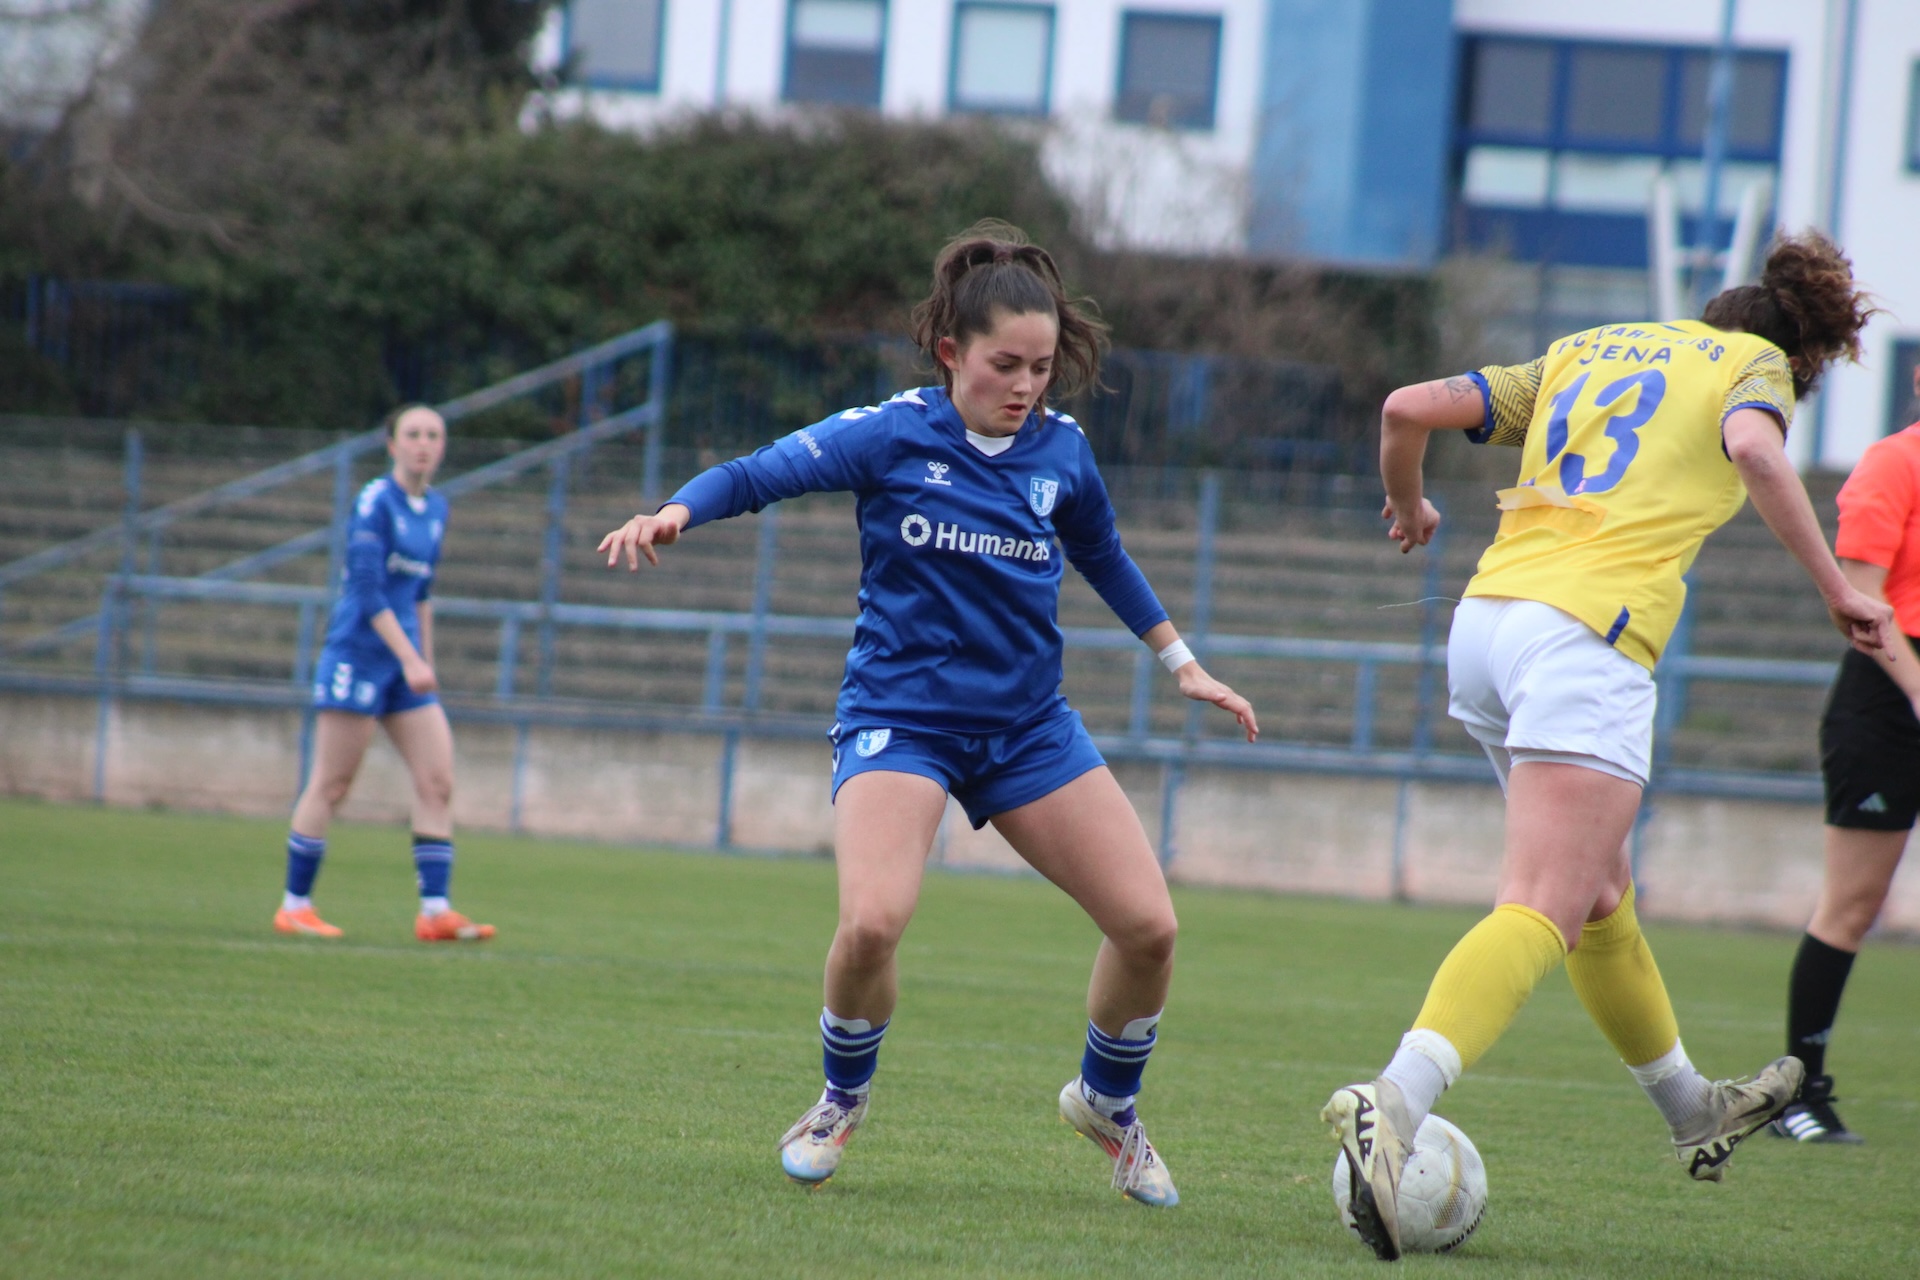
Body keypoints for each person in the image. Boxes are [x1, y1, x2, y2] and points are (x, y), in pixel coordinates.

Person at [597, 222, 1258, 1204]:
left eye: (1041, 365)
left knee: (1150, 926)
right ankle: (839, 1099)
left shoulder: (1062, 454)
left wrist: (1183, 661)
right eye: (1005, 364)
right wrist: (677, 510)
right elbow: (755, 473)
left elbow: (1104, 555)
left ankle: (1107, 1103)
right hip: (901, 717)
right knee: (872, 921)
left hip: (1028, 727)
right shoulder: (893, 433)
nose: (1026, 383)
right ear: (952, 350)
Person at [1321, 231, 1891, 1260]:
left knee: (1597, 893)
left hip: (1488, 623)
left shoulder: (1585, 348)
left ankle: (1692, 1109)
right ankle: (1394, 1099)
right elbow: (1759, 450)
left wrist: (1409, 506)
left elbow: (1405, 407)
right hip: (1588, 637)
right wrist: (1838, 589)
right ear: (1793, 355)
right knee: (1543, 898)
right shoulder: (1749, 364)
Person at [273, 404, 494, 943]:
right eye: (413, 434)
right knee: (333, 781)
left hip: (405, 667)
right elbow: (368, 592)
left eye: (433, 435)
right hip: (359, 656)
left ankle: (435, 910)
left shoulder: (436, 507)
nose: (424, 444)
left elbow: (419, 593)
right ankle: (294, 905)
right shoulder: (375, 501)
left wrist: (427, 661)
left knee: (437, 779)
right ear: (391, 444)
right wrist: (410, 658)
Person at [1774, 357, 1920, 1144]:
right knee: (1855, 905)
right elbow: (1866, 604)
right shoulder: (1894, 464)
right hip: (1885, 698)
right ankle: (1800, 1093)